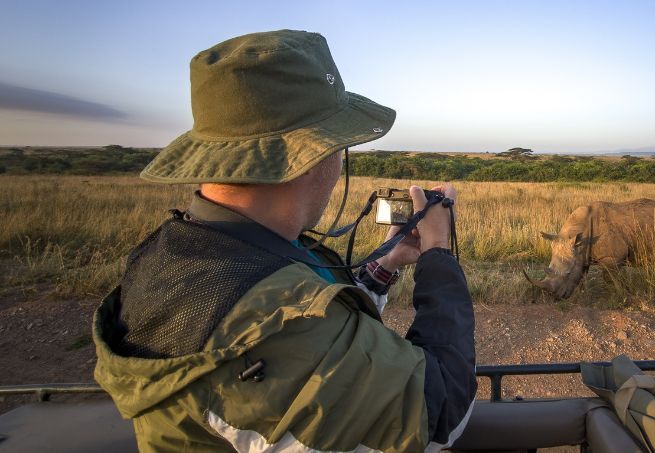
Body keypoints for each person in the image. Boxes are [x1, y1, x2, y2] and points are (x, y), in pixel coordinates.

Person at [92, 30, 476, 452]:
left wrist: (383, 266)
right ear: (310, 155)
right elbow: (439, 411)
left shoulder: (187, 249)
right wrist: (438, 255)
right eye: (339, 143)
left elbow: (304, 311)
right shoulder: (277, 329)